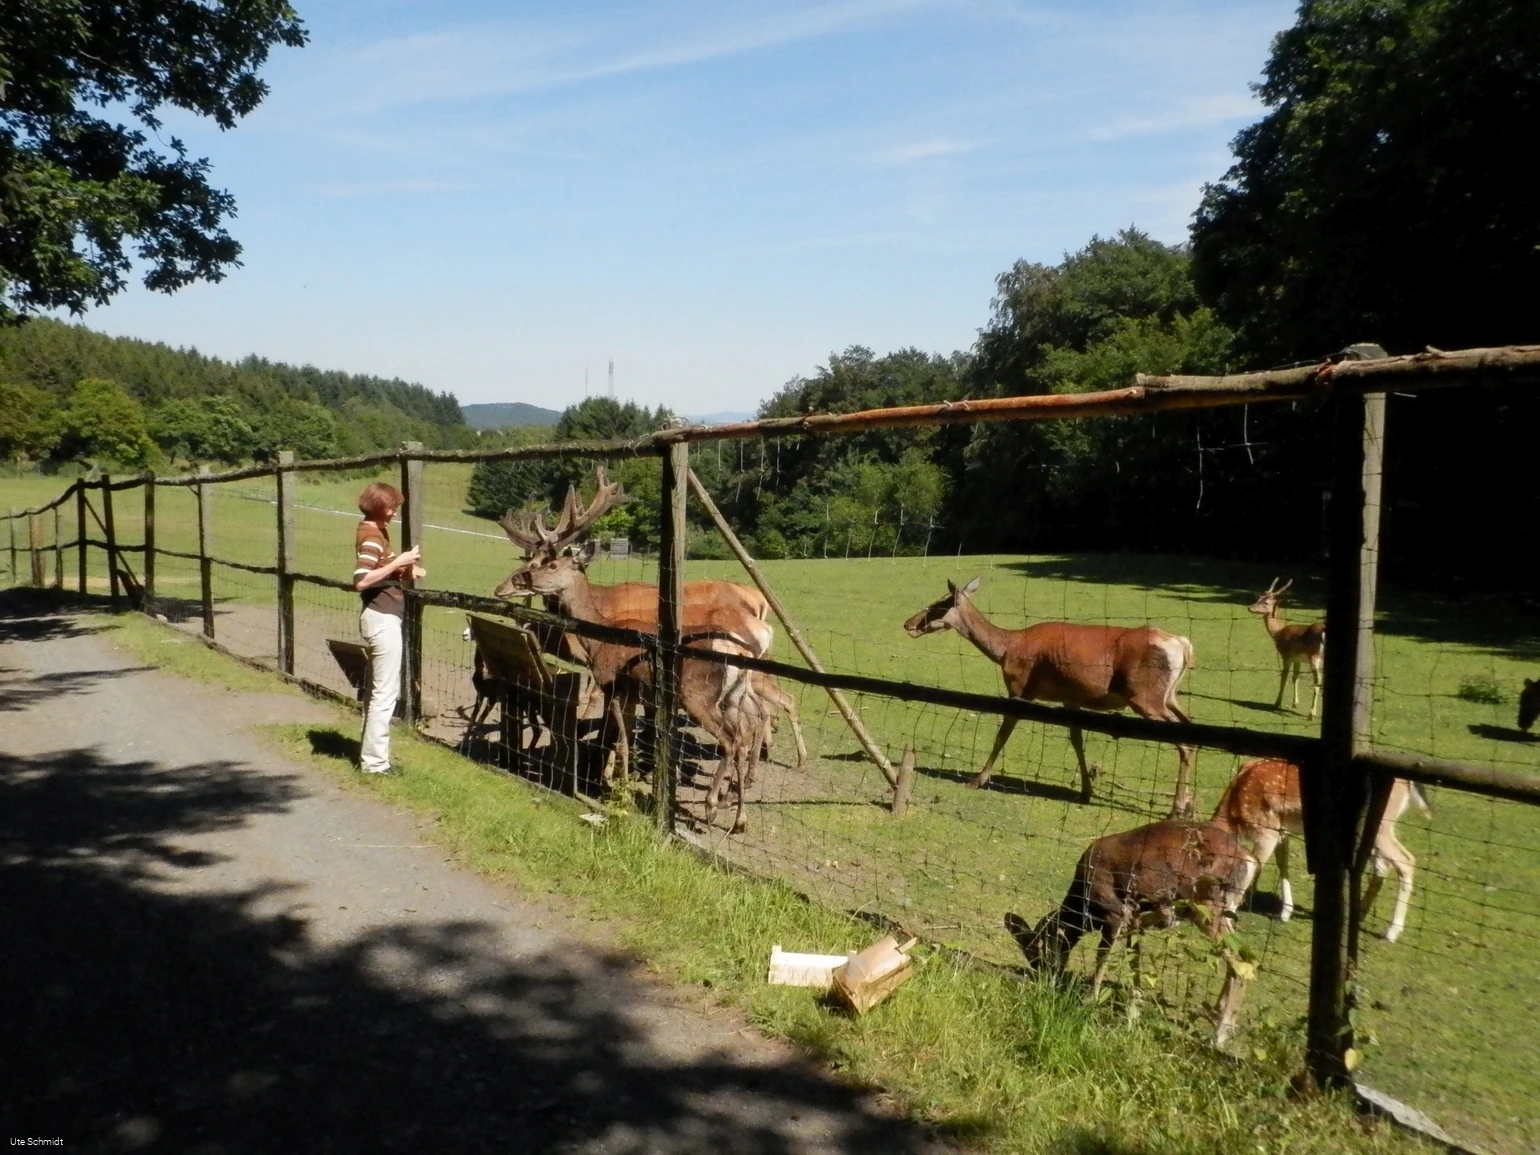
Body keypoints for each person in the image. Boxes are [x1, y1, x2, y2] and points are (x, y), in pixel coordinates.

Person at [352, 482, 423, 774]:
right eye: (391, 507)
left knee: (376, 693)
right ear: (379, 508)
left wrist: (405, 568)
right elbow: (361, 579)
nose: (394, 513)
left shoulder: (373, 530)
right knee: (385, 695)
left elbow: (381, 568)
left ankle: (370, 755)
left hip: (379, 617)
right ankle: (375, 764)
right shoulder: (372, 536)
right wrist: (403, 560)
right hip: (382, 619)